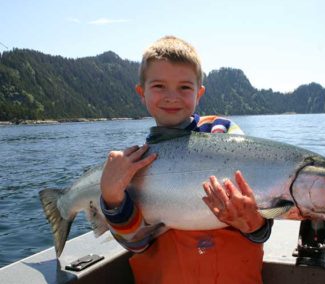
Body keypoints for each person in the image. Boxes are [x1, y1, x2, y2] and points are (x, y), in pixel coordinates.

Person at [100, 35, 273, 283]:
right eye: (159, 86)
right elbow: (136, 242)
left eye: (184, 87)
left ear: (199, 93)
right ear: (142, 93)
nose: (172, 96)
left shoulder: (224, 133)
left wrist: (255, 224)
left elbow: (260, 222)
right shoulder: (131, 166)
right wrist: (112, 198)